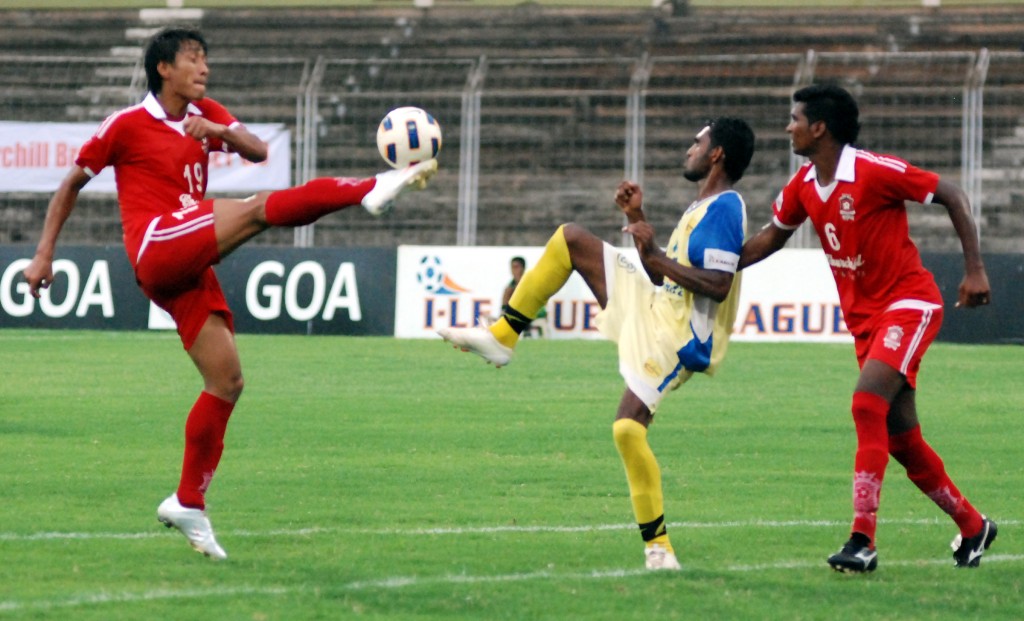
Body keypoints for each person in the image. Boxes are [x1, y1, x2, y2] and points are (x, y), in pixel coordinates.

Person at [21, 27, 437, 560]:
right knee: (259, 208)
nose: (204, 69)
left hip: (187, 260)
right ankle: (368, 189)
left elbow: (257, 150)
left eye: (205, 59)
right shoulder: (126, 125)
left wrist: (215, 129)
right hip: (155, 242)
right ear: (163, 68)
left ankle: (187, 501)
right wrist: (43, 254)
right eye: (193, 59)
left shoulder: (205, 112)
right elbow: (70, 184)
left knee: (227, 381)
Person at [439, 118, 756, 570]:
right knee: (570, 239)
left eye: (697, 142)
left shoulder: (725, 208)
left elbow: (718, 285)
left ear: (717, 154)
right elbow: (661, 276)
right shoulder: (699, 206)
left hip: (676, 336)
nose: (690, 149)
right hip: (655, 307)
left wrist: (655, 253)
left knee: (627, 428)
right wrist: (637, 220)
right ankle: (503, 337)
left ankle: (659, 548)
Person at [738, 83, 995, 573]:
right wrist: (714, 267)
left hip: (909, 303)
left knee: (865, 403)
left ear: (819, 128)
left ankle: (862, 540)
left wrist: (975, 269)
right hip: (865, 322)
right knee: (903, 441)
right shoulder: (803, 184)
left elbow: (951, 194)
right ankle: (972, 525)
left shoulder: (873, 170)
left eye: (795, 119)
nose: (788, 127)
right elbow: (771, 238)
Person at [501, 256, 546, 336]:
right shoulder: (509, 287)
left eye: (516, 267)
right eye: (512, 267)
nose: (514, 270)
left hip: (535, 313)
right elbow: (504, 307)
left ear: (523, 268)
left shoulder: (531, 281)